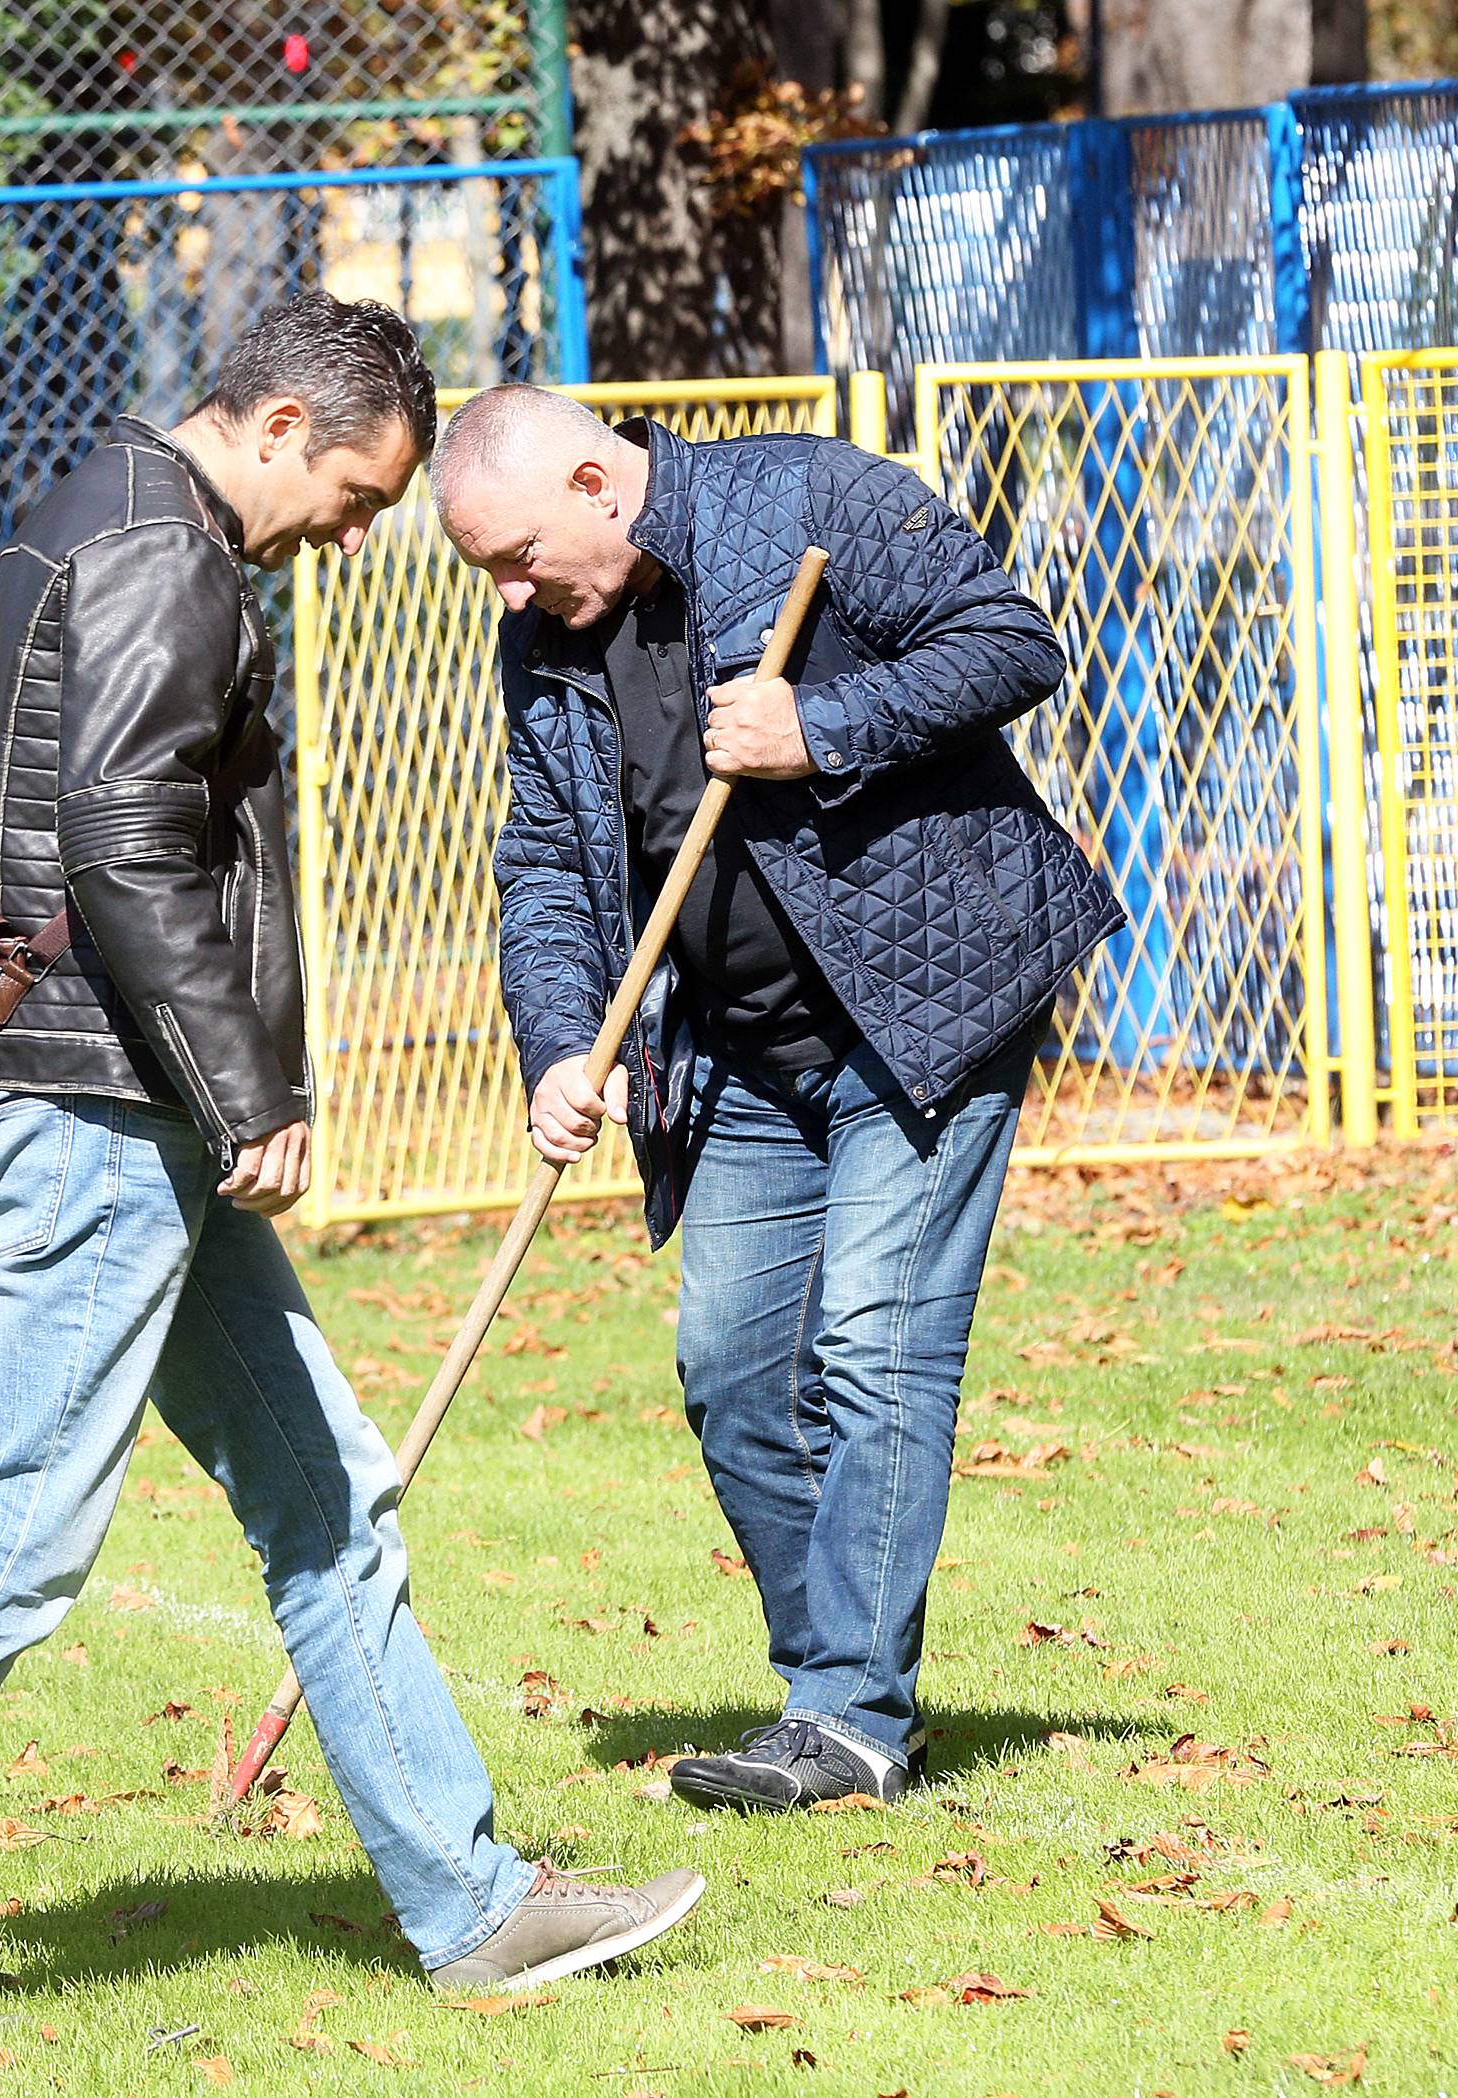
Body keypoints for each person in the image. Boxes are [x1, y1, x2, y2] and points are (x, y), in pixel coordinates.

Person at [0, 303, 702, 2039]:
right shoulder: (164, 559)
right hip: (100, 1108)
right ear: (274, 424)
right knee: (15, 1526)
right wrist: (245, 1082)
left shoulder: (90, 509)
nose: (353, 533)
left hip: (117, 1103)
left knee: (330, 1499)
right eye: (352, 493)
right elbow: (120, 839)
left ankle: (475, 1904)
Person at [432, 385, 1122, 1813]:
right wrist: (564, 1044)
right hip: (735, 1050)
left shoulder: (806, 498)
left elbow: (1011, 641)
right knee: (734, 1377)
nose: (508, 589)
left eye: (514, 554)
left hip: (924, 1011)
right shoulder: (540, 649)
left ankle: (852, 1719)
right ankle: (837, 1685)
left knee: (875, 1347)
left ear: (590, 482)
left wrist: (824, 723)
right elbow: (548, 866)